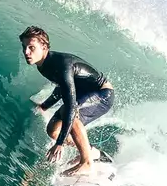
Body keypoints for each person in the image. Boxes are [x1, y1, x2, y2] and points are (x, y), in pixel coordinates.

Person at [19, 26, 115, 176]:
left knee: (71, 114)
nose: (26, 52)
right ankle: (92, 153)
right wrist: (45, 106)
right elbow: (62, 88)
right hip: (83, 95)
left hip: (102, 95)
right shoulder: (43, 66)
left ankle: (87, 163)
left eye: (31, 47)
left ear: (44, 47)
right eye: (24, 47)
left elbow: (71, 107)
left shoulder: (62, 65)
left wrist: (59, 144)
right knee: (53, 130)